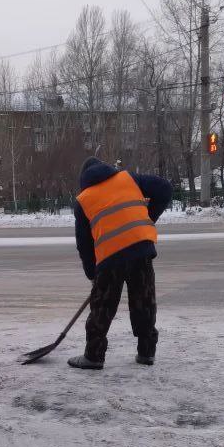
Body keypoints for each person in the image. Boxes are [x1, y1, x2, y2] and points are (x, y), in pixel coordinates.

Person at [69, 157, 173, 370]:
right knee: (144, 302)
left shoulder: (84, 200)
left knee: (102, 307)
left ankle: (94, 356)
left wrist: (92, 274)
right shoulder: (128, 178)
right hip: (140, 249)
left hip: (110, 259)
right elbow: (165, 188)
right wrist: (145, 218)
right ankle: (146, 352)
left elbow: (85, 244)